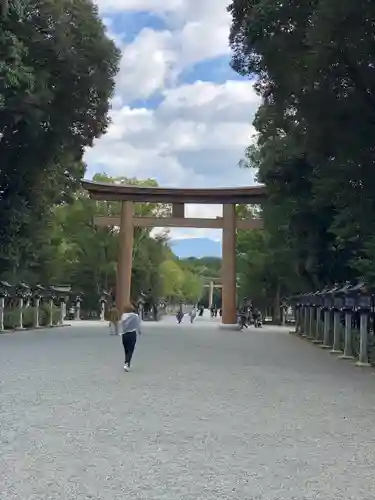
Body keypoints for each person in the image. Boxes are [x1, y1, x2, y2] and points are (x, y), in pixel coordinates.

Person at [120, 303, 141, 372]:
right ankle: (127, 363)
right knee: (130, 349)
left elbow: (122, 325)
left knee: (126, 349)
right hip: (132, 334)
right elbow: (138, 324)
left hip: (124, 334)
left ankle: (127, 362)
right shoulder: (135, 316)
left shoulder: (123, 316)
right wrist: (139, 331)